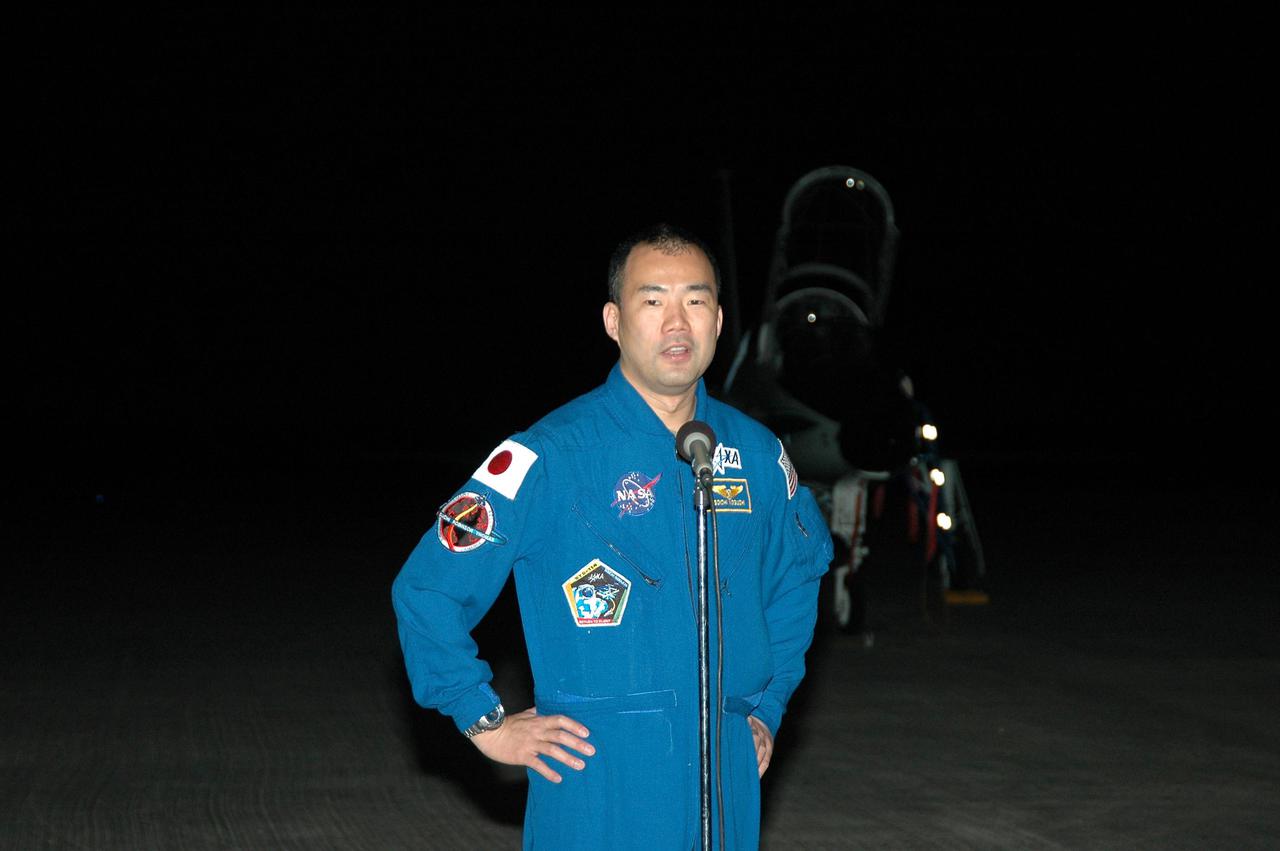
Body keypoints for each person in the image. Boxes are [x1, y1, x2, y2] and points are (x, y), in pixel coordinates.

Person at [391, 223, 833, 849]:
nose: (677, 322)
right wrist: (483, 719)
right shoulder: (550, 455)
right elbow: (428, 588)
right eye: (653, 301)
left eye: (696, 301)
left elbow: (800, 573)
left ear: (719, 319)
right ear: (613, 320)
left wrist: (765, 706)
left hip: (728, 782)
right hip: (597, 784)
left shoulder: (758, 457)